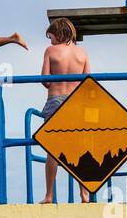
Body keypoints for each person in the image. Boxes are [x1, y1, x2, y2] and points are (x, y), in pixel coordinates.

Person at [39, 17, 92, 203]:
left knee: (53, 150)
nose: (50, 41)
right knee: (81, 149)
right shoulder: (82, 53)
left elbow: (45, 81)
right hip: (77, 103)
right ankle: (85, 194)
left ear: (58, 34)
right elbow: (88, 82)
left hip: (56, 100)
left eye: (50, 36)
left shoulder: (50, 51)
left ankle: (49, 195)